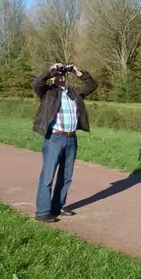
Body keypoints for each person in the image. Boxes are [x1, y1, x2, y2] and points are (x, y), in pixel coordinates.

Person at [31, 63, 97, 223]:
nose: (60, 76)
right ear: (52, 77)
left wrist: (77, 72)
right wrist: (49, 71)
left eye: (62, 74)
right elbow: (36, 84)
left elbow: (92, 85)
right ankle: (43, 211)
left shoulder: (74, 92)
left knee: (66, 176)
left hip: (71, 138)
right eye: (56, 74)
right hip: (54, 138)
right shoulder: (48, 92)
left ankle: (56, 207)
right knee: (48, 176)